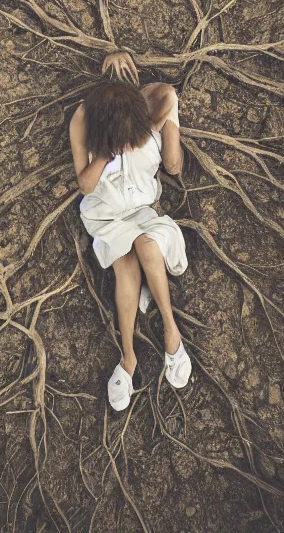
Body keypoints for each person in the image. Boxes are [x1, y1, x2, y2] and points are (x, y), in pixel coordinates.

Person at [69, 51, 190, 410]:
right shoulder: (84, 119)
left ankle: (172, 333)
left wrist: (170, 125)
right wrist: (106, 153)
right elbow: (86, 186)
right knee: (127, 268)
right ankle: (128, 358)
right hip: (106, 215)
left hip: (141, 212)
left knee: (147, 245)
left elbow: (173, 166)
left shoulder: (161, 101)